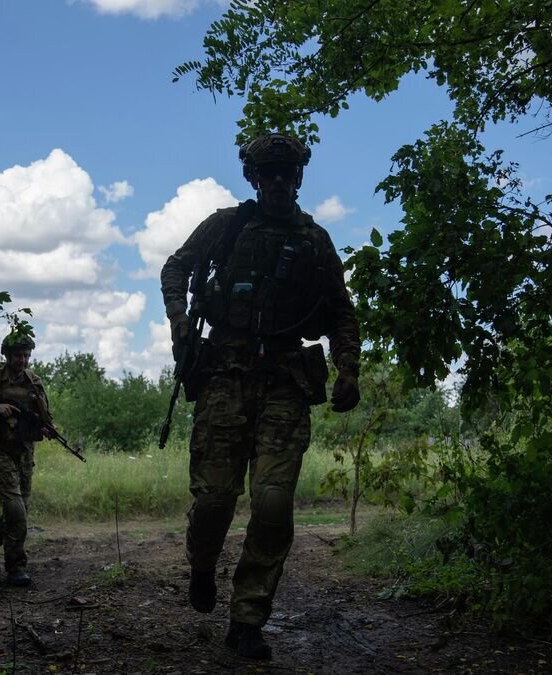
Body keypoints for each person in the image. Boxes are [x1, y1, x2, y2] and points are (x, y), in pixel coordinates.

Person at [160, 133, 361, 659]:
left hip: (284, 383)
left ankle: (247, 619)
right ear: (252, 176)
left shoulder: (315, 241)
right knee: (215, 499)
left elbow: (341, 310)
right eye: (267, 171)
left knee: (272, 504)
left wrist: (349, 370)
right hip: (224, 377)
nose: (277, 179)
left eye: (286, 170)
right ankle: (202, 565)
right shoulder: (226, 227)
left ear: (298, 176)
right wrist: (181, 325)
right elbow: (175, 267)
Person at [0, 332, 55, 586]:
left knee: (21, 511)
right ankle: (15, 567)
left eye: (27, 355)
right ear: (7, 355)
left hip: (25, 453)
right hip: (0, 451)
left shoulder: (33, 381)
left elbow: (43, 416)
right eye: (18, 355)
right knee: (15, 509)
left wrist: (45, 428)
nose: (23, 360)